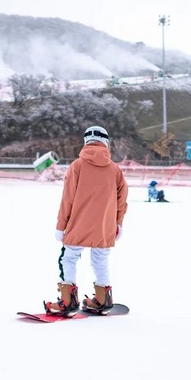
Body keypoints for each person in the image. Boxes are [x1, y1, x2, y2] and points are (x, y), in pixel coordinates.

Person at [44, 125, 129, 317]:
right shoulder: (115, 170)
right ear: (106, 142)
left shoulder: (77, 166)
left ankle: (68, 301)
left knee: (69, 258)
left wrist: (61, 226)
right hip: (104, 225)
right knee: (101, 260)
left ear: (86, 141)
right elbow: (121, 200)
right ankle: (103, 299)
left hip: (79, 223)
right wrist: (118, 223)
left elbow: (68, 198)